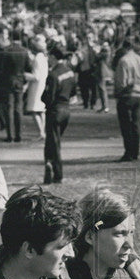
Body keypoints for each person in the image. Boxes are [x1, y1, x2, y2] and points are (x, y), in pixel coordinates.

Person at [42, 46, 77, 184]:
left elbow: (48, 97)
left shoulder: (53, 75)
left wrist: (43, 99)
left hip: (55, 110)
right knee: (54, 141)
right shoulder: (69, 72)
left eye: (49, 57)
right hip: (66, 110)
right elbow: (73, 92)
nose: (48, 59)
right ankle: (50, 167)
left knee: (53, 143)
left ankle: (56, 172)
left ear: (54, 57)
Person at [114, 38, 140, 162]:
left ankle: (128, 152)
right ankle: (136, 152)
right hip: (139, 95)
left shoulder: (123, 61)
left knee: (126, 125)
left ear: (125, 47)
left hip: (126, 95)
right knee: (136, 124)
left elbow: (121, 82)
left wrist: (117, 93)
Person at [0, 27, 30, 142]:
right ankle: (19, 135)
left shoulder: (6, 51)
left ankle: (10, 135)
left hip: (8, 80)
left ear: (11, 37)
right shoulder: (24, 51)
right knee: (18, 108)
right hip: (20, 80)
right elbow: (28, 67)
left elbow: (2, 68)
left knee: (9, 108)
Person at [24, 34, 48, 138]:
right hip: (43, 84)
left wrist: (24, 75)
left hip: (36, 86)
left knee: (34, 110)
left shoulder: (37, 58)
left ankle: (41, 132)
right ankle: (43, 131)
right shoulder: (43, 57)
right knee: (41, 110)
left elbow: (36, 76)